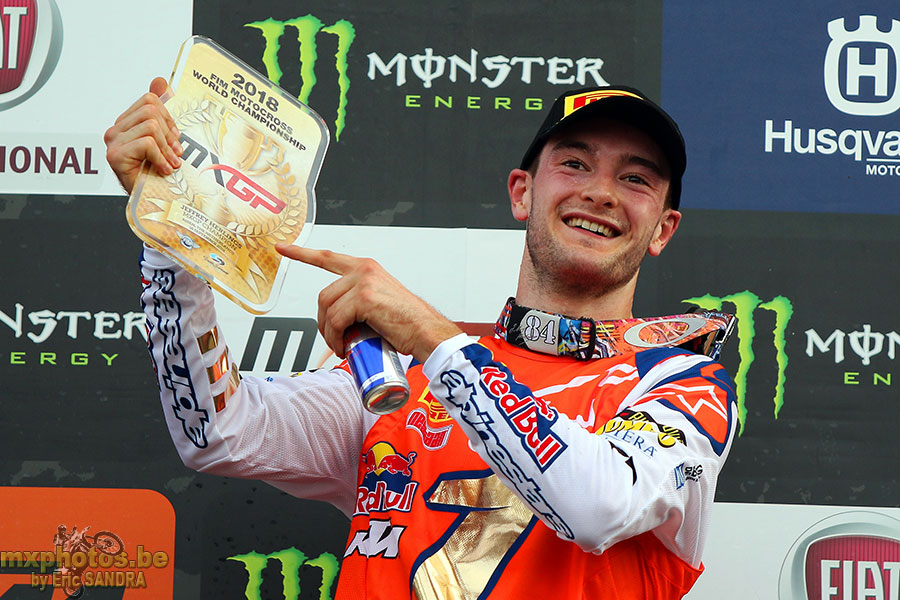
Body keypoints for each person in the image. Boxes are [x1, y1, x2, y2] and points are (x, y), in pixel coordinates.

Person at [106, 78, 737, 599]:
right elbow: (217, 432)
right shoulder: (399, 375)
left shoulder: (686, 385)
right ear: (523, 193)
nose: (599, 192)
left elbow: (596, 506)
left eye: (636, 179)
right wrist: (172, 229)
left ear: (662, 228)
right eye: (574, 163)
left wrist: (434, 339)